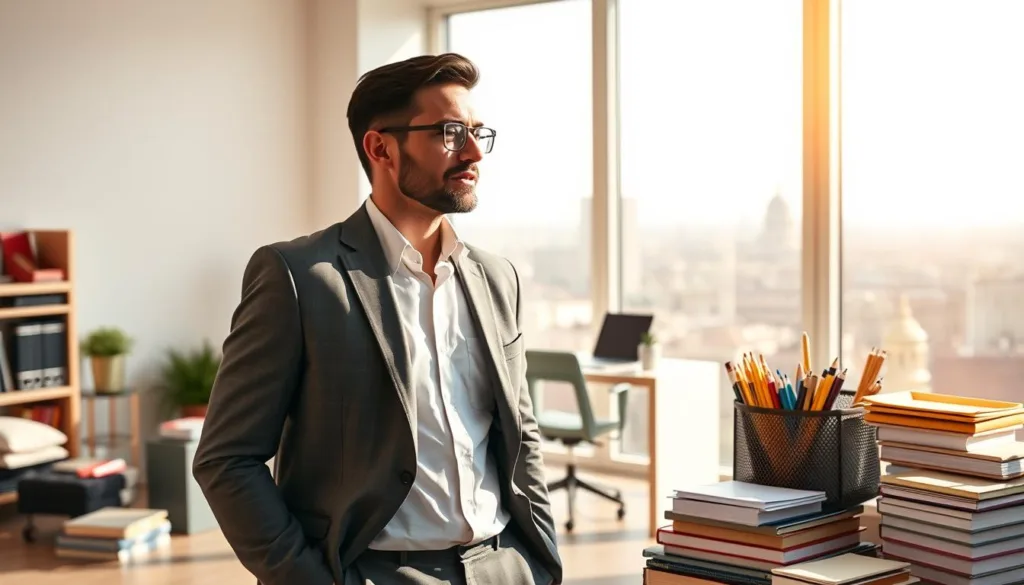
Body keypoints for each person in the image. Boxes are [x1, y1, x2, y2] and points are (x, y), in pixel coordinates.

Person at [192, 52, 562, 585]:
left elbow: (519, 435)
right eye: (451, 132)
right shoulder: (299, 276)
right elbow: (227, 459)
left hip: (503, 567)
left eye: (479, 132)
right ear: (381, 147)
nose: (475, 151)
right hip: (376, 572)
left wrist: (544, 564)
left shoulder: (496, 278)